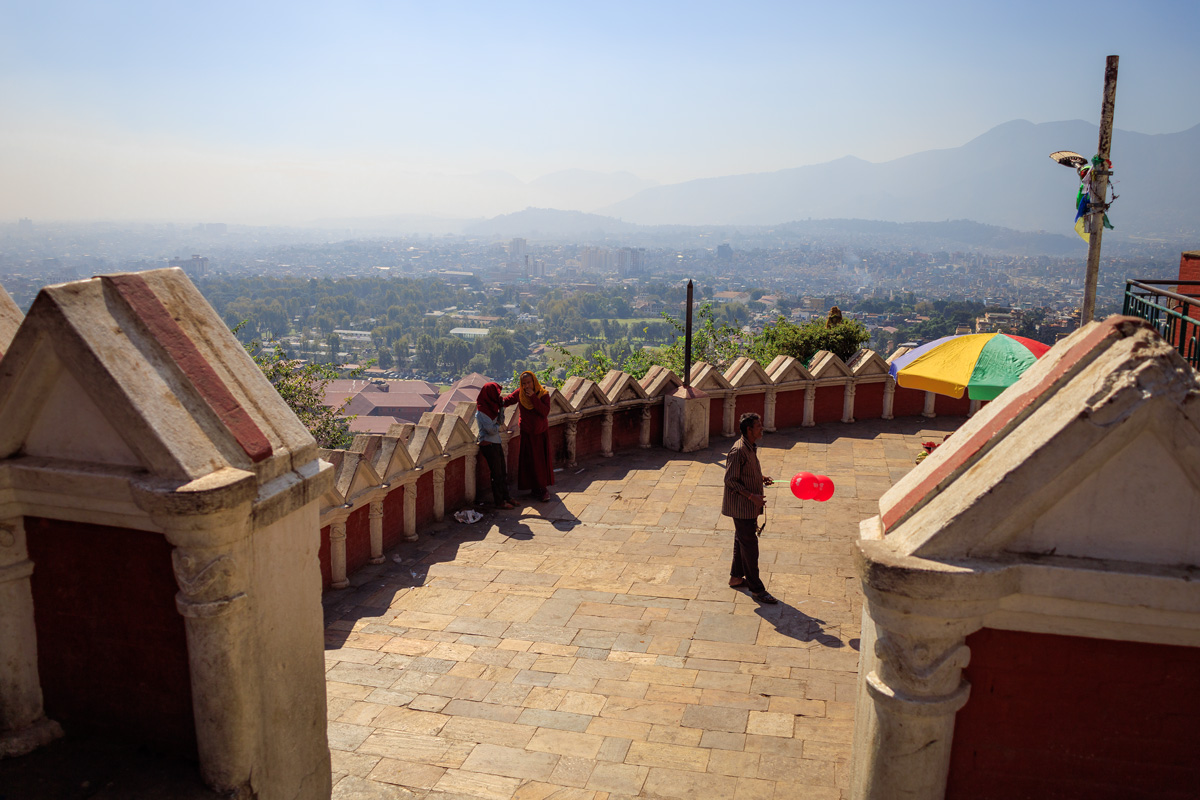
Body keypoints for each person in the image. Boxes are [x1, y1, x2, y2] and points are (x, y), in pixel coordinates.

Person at [722, 412, 777, 604]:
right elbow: (730, 480)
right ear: (749, 429)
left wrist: (760, 479)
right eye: (758, 425)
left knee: (742, 540)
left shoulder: (750, 447)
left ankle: (736, 577)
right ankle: (757, 589)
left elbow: (744, 473)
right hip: (742, 507)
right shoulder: (738, 450)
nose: (761, 428)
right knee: (750, 548)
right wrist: (752, 496)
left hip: (748, 507)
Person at [503, 371, 554, 502]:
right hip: (526, 432)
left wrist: (533, 398)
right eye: (524, 383)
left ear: (534, 382)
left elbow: (544, 412)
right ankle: (534, 488)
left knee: (539, 461)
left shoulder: (543, 394)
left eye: (529, 383)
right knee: (529, 461)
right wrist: (492, 401)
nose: (526, 386)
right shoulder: (520, 393)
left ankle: (543, 490)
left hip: (539, 433)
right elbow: (507, 401)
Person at [475, 382, 515, 509]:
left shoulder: (493, 408)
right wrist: (497, 423)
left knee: (503, 472)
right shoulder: (482, 411)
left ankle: (507, 497)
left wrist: (501, 408)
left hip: (496, 443)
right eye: (496, 393)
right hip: (488, 444)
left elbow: (501, 421)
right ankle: (500, 502)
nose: (497, 396)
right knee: (496, 474)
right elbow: (491, 430)